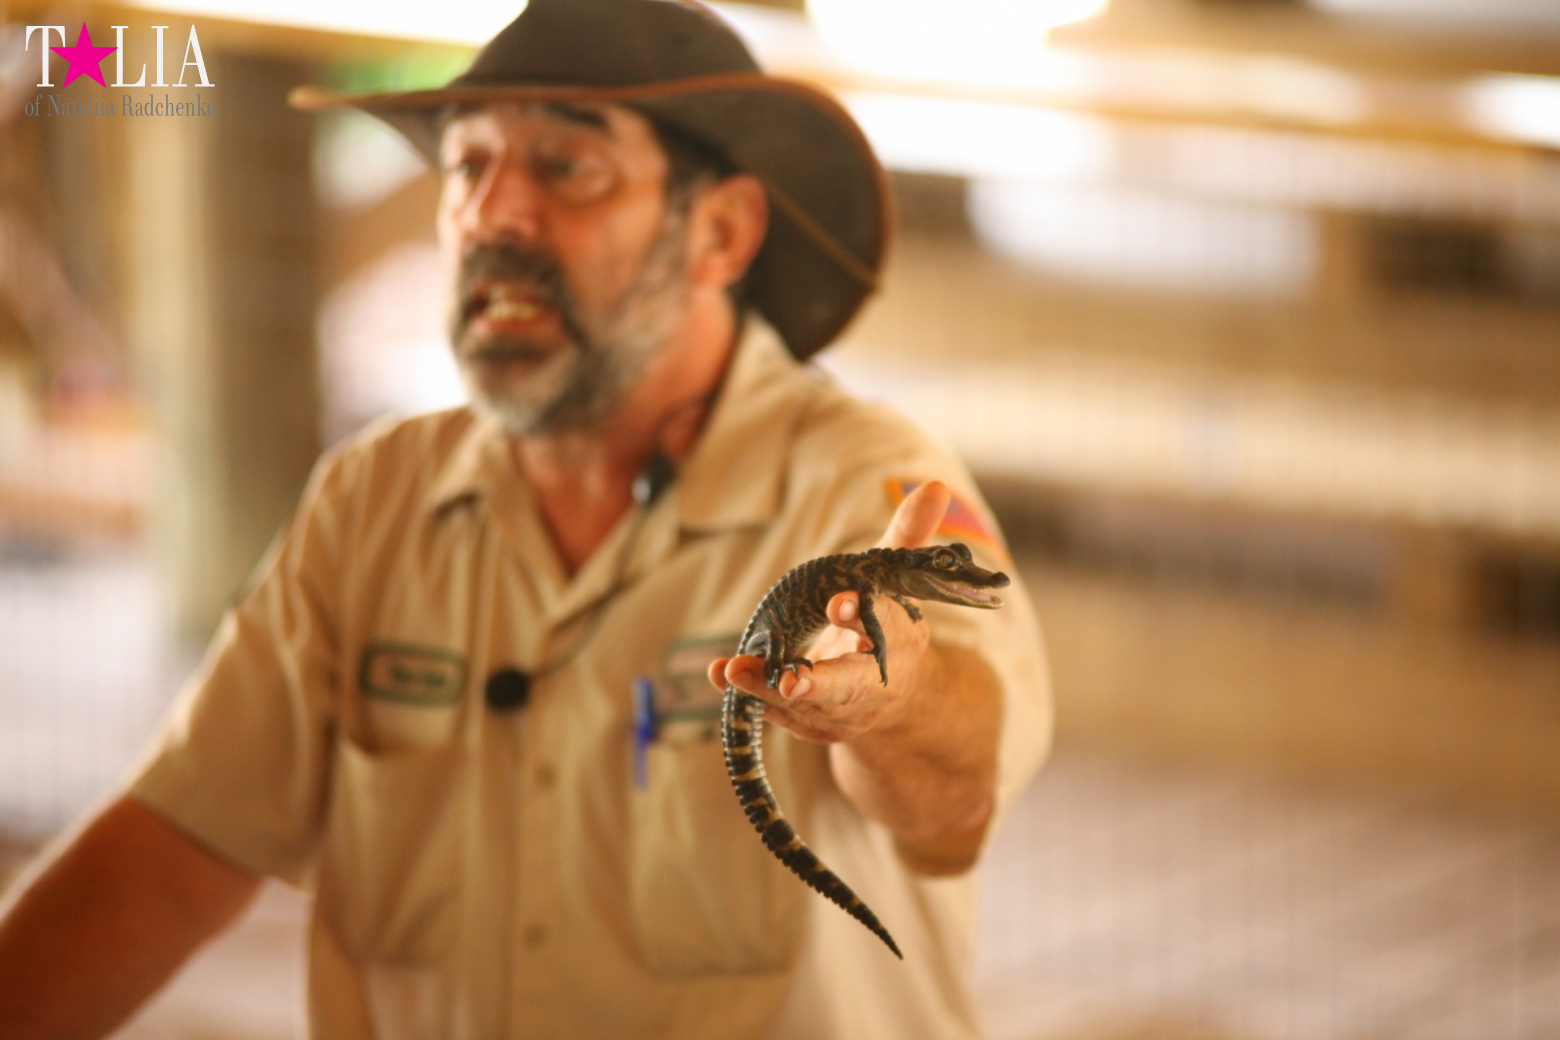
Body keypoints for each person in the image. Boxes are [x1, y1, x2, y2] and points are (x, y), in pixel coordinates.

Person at [0, 1, 1050, 1036]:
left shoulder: (863, 481)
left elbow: (956, 790)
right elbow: (176, 845)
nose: (495, 212)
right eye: (468, 167)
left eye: (566, 168)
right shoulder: (376, 496)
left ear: (721, 230)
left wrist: (890, 703)